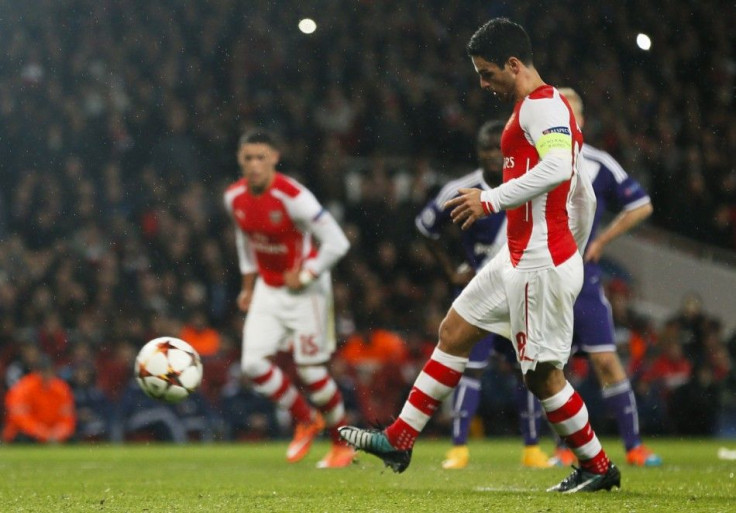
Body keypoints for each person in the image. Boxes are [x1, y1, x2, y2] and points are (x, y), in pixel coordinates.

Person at [340, 18, 621, 493]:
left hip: (539, 262)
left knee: (542, 378)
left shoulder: (544, 105)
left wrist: (492, 201)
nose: (482, 82)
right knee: (454, 330)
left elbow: (558, 168)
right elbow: (583, 195)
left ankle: (597, 465)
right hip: (520, 256)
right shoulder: (527, 108)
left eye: (487, 72)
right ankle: (399, 439)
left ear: (514, 64)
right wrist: (571, 245)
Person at [415, 120, 550, 469]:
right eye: (486, 148)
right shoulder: (461, 189)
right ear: (477, 151)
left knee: (529, 371)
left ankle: (532, 448)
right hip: (481, 293)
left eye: (499, 149)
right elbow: (425, 227)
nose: (492, 155)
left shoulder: (526, 186)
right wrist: (451, 268)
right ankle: (458, 448)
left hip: (521, 293)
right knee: (471, 369)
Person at [224, 129, 354, 468]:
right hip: (268, 288)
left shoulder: (293, 196)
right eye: (248, 158)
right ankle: (305, 417)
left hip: (306, 292)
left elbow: (338, 242)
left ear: (274, 158)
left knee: (311, 373)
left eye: (260, 157)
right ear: (240, 159)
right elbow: (246, 242)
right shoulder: (233, 197)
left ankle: (342, 441)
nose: (254, 165)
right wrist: (247, 287)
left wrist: (309, 272)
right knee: (252, 364)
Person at [549, 87, 660, 467]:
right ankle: (564, 449)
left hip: (583, 278)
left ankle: (634, 447)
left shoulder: (597, 163)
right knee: (552, 367)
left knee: (606, 362)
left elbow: (641, 205)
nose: (565, 119)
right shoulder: (537, 161)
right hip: (546, 279)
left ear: (579, 119)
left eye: (571, 112)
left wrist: (602, 239)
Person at [2, 354, 76, 443]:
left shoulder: (61, 389)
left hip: (52, 433)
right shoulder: (23, 388)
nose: (46, 375)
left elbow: (67, 418)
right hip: (26, 434)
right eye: (43, 372)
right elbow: (19, 418)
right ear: (35, 372)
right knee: (22, 437)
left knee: (74, 437)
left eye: (48, 371)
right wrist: (41, 432)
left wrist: (59, 432)